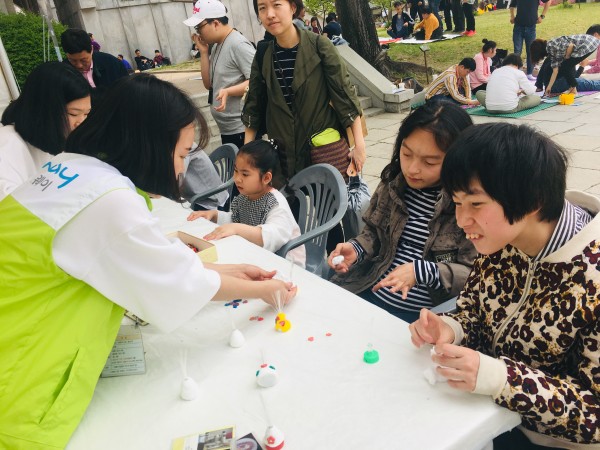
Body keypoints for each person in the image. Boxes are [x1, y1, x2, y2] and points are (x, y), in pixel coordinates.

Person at [0, 74, 296, 449]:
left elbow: (138, 260)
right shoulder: (107, 201)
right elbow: (177, 283)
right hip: (19, 382)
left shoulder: (70, 170)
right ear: (149, 145)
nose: (181, 170)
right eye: (182, 154)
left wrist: (227, 270)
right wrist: (264, 288)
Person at [410, 122, 600, 449]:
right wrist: (451, 328)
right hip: (486, 411)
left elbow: (594, 416)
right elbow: (475, 312)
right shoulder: (501, 241)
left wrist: (500, 379)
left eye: (476, 204)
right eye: (457, 202)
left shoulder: (591, 278)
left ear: (533, 200)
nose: (461, 220)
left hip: (548, 441)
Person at [327, 103, 476, 323]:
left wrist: (423, 271)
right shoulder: (394, 184)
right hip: (369, 290)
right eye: (406, 154)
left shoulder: (467, 206)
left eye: (429, 162)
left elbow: (476, 276)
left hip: (422, 317)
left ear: (458, 160)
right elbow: (374, 234)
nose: (412, 169)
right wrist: (356, 249)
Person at [243, 0, 365, 183]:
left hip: (322, 150)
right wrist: (247, 153)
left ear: (293, 7)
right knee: (286, 209)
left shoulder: (319, 45)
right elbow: (254, 103)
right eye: (262, 8)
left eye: (276, 5)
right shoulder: (263, 54)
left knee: (330, 207)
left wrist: (359, 145)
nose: (269, 14)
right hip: (282, 154)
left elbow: (344, 94)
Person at [188, 139, 305, 267]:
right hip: (256, 256)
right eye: (236, 170)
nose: (237, 178)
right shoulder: (246, 196)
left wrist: (236, 228)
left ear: (266, 178)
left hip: (285, 265)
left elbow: (270, 236)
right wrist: (214, 215)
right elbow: (236, 219)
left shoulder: (276, 204)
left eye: (245, 174)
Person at [0, 62, 91, 201]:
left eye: (86, 114)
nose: (81, 123)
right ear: (43, 110)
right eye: (73, 114)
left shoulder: (57, 139)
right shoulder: (7, 147)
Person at [185, 0, 256, 151]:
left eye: (199, 27)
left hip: (241, 128)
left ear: (216, 23)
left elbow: (258, 81)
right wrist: (204, 52)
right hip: (227, 127)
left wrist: (228, 91)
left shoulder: (238, 44)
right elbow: (208, 84)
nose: (198, 33)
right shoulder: (217, 45)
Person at [530, 34, 600, 95]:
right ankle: (573, 89)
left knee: (589, 83)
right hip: (559, 85)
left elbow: (546, 73)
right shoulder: (560, 54)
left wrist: (541, 86)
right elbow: (573, 77)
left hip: (551, 85)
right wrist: (582, 66)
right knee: (591, 84)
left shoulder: (551, 56)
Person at [61, 29, 128, 91]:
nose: (79, 65)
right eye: (73, 60)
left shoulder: (112, 64)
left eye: (83, 60)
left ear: (92, 49)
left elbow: (128, 90)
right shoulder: (63, 74)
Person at [476, 53, 540, 113]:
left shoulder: (495, 71)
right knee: (536, 98)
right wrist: (523, 91)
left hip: (490, 108)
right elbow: (530, 91)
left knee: (479, 93)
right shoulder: (519, 73)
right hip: (510, 108)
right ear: (518, 65)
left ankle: (494, 104)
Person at [509, 0, 550, 81]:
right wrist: (512, 16)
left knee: (531, 51)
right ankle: (517, 73)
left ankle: (529, 73)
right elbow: (512, 5)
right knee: (517, 51)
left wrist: (542, 16)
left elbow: (548, 1)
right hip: (518, 26)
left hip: (531, 27)